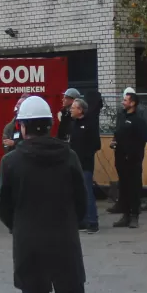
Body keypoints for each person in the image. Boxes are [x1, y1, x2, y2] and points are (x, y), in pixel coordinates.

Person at [0, 95, 99, 293]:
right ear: (50, 125)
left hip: (29, 247)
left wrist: (22, 227)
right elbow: (82, 202)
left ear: (22, 126)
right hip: (65, 245)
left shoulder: (11, 161)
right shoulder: (68, 156)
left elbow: (4, 209)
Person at [111, 88, 147, 230]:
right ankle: (125, 215)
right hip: (121, 160)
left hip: (133, 161)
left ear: (132, 103)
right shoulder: (122, 118)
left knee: (134, 189)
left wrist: (133, 154)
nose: (123, 102)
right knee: (124, 188)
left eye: (125, 100)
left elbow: (141, 140)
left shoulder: (138, 121)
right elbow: (118, 134)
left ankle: (134, 216)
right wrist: (115, 141)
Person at [64, 97, 101, 233]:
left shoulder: (90, 124)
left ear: (80, 110)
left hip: (85, 164)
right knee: (78, 193)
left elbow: (96, 144)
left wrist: (84, 155)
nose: (71, 110)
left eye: (73, 108)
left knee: (87, 192)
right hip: (73, 164)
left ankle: (93, 222)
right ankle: (83, 220)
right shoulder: (72, 124)